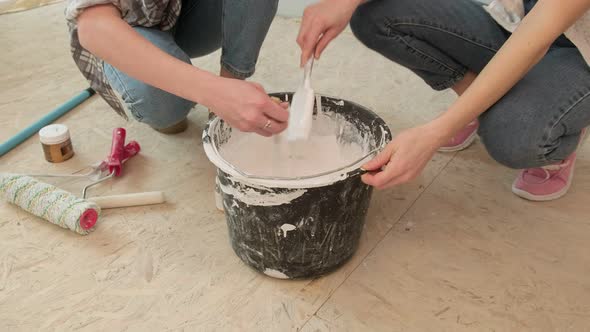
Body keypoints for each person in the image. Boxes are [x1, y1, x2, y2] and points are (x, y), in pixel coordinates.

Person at [298, 0, 590, 201]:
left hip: (579, 53)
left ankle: (559, 130)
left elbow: (537, 37)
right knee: (375, 13)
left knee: (513, 134)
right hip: (521, 19)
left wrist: (437, 131)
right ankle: (483, 101)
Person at [65, 0, 288, 136]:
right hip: (125, 31)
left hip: (181, 12)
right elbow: (94, 26)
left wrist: (230, 88)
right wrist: (215, 92)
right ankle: (184, 97)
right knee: (165, 107)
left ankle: (225, 105)